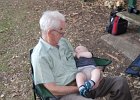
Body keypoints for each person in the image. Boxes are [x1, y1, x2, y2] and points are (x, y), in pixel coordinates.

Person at [31, 10, 132, 100]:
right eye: (61, 32)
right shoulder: (40, 56)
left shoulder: (63, 42)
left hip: (84, 79)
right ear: (50, 33)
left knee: (120, 83)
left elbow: (79, 59)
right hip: (65, 93)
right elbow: (53, 90)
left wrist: (94, 72)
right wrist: (79, 88)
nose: (63, 35)